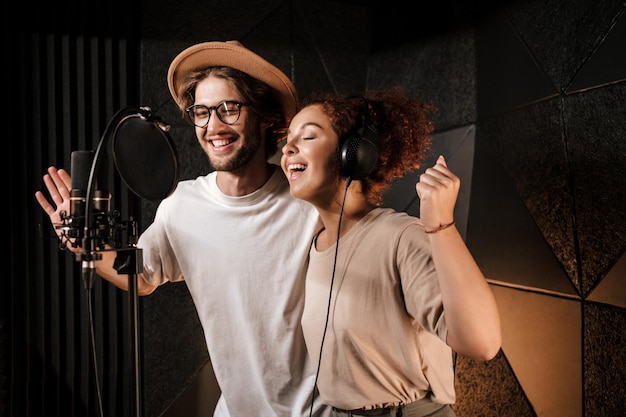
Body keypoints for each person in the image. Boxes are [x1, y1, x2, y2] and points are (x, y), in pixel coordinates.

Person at [35, 40, 330, 417]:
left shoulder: (309, 203)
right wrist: (82, 247)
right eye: (202, 112)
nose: (214, 126)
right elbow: (141, 277)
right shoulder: (181, 207)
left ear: (265, 115)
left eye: (229, 109)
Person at [280, 89, 502, 417]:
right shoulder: (310, 247)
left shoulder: (398, 237)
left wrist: (441, 227)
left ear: (353, 153)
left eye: (308, 135)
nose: (288, 147)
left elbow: (481, 343)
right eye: (287, 140)